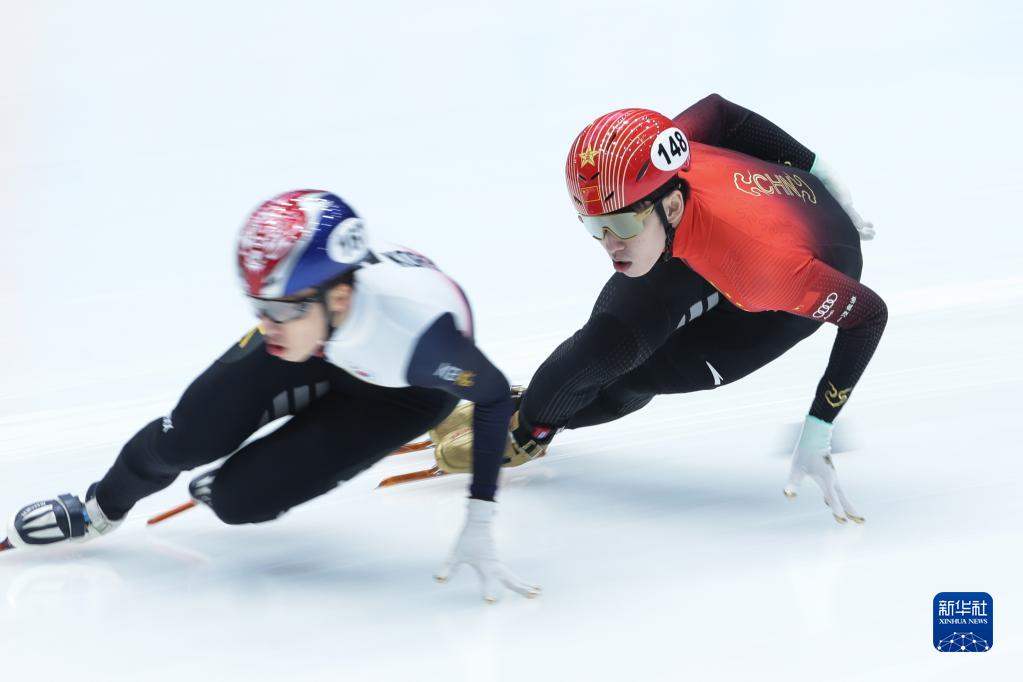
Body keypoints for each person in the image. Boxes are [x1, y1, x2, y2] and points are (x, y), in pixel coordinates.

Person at [3, 189, 538, 603]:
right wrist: (286, 318)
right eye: (258, 306)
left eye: (280, 310)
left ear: (341, 293)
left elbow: (492, 397)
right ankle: (99, 507)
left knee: (238, 502)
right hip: (325, 348)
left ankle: (239, 481)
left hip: (403, 393)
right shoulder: (295, 319)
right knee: (189, 436)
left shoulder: (421, 338)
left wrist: (480, 518)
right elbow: (280, 326)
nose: (266, 324)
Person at [431, 94, 887, 524]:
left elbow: (869, 317)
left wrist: (818, 426)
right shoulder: (661, 164)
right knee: (608, 342)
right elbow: (721, 114)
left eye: (622, 224)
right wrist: (817, 166)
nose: (609, 244)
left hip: (780, 286)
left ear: (669, 204)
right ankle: (528, 417)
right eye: (595, 225)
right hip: (714, 227)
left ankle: (524, 438)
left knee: (639, 376)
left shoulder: (767, 269)